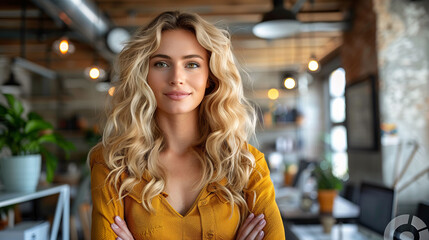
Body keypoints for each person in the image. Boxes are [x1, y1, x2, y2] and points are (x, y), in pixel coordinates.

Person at [89, 11, 285, 239]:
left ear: (210, 77)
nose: (177, 77)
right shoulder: (111, 164)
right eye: (161, 63)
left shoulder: (247, 165)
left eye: (192, 64)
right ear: (143, 74)